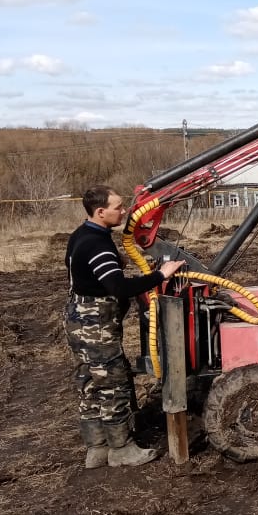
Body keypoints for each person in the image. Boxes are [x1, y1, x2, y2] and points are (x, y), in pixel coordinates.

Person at [64, 186, 186, 468]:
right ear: (100, 211)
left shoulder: (81, 235)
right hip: (95, 324)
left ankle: (97, 449)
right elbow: (117, 286)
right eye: (118, 207)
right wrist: (160, 275)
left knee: (90, 383)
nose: (124, 212)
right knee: (113, 385)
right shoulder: (97, 244)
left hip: (77, 317)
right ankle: (121, 449)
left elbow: (88, 276)